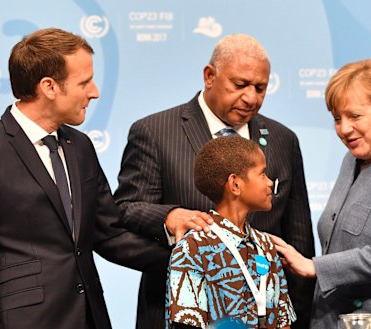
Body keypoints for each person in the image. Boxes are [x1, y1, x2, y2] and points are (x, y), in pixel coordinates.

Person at [0, 28, 170, 329]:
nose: (95, 92)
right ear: (49, 86)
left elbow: (109, 234)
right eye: (84, 82)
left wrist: (196, 258)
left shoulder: (80, 147)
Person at [114, 34, 315, 329]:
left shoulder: (284, 140)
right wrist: (168, 216)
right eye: (240, 85)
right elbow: (125, 208)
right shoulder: (155, 132)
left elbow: (299, 238)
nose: (251, 98)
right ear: (210, 76)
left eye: (260, 88)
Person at [272, 59, 371, 329]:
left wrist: (315, 267)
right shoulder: (352, 159)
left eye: (355, 116)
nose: (343, 129)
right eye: (337, 119)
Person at [166, 136, 296, 329]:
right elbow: (186, 323)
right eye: (262, 174)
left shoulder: (266, 246)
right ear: (235, 184)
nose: (270, 183)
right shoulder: (192, 249)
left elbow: (283, 321)